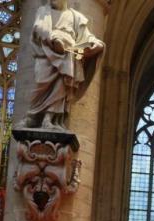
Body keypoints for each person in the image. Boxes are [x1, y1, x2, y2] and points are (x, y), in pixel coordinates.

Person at [19, 0, 105, 130]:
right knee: (40, 86)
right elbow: (39, 28)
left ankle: (49, 119)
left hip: (66, 57)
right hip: (47, 55)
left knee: (61, 87)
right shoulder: (43, 11)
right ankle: (33, 116)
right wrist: (54, 39)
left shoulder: (76, 17)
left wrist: (96, 44)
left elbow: (87, 37)